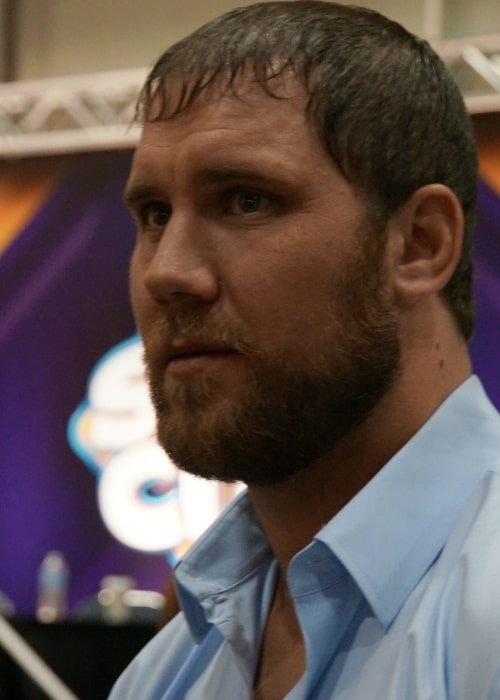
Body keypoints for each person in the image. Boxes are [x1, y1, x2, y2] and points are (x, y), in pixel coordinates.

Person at [110, 2, 500, 698]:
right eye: (155, 214)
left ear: (419, 244)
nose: (167, 272)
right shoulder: (165, 674)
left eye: (247, 201)